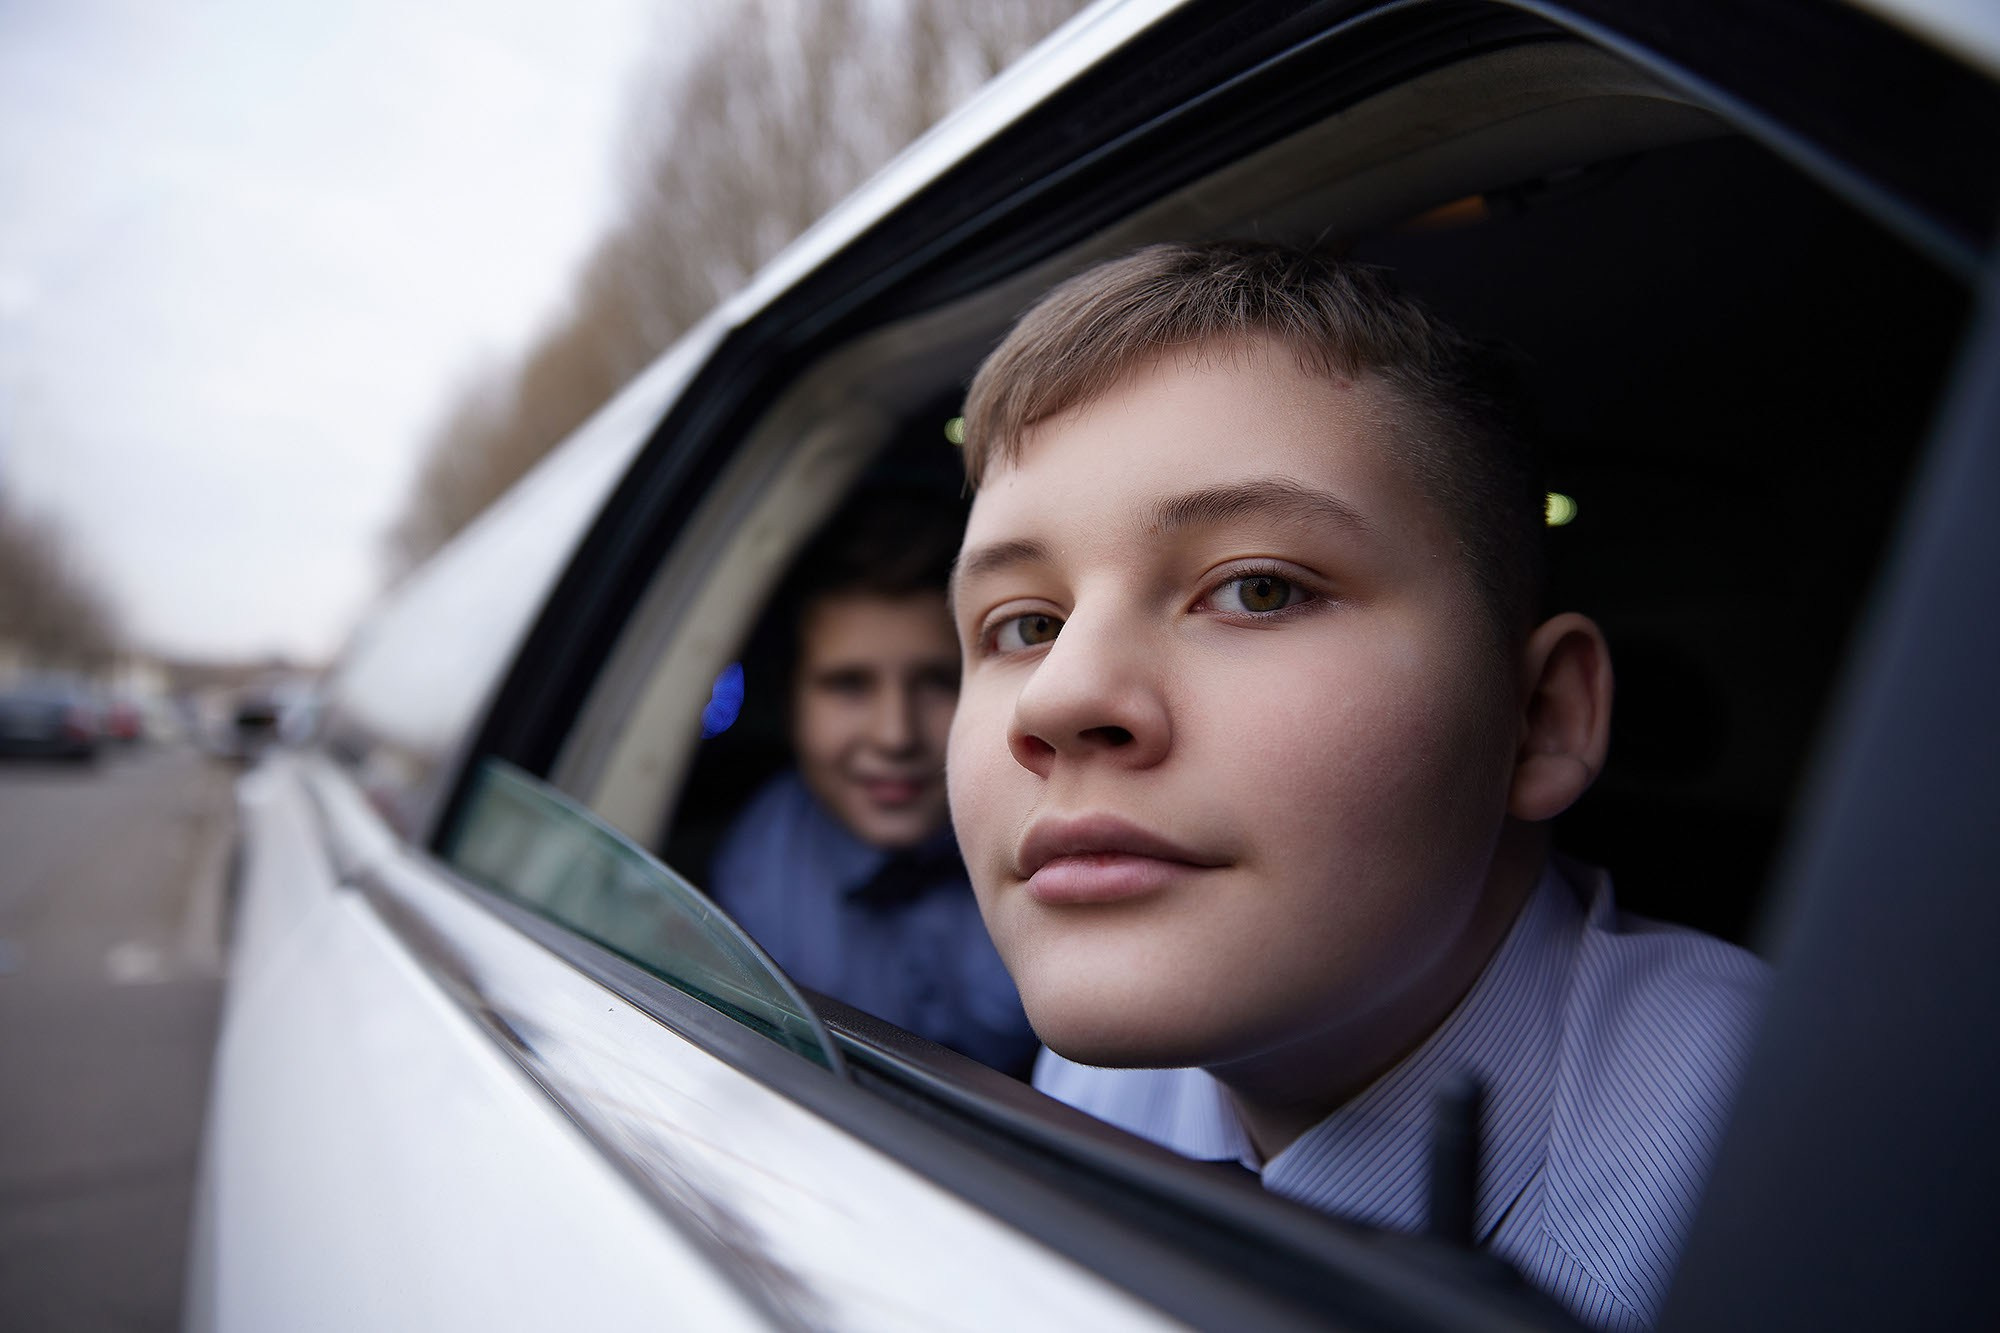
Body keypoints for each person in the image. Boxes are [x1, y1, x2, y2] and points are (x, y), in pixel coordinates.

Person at [943, 243, 1769, 1329]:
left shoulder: (1791, 1172)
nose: (1057, 697)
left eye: (1256, 589)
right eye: (1026, 625)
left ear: (1537, 722)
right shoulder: (1096, 1077)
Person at [708, 492, 1039, 1075]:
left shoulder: (1053, 834)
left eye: (938, 680)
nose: (895, 735)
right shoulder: (755, 875)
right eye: (849, 685)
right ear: (788, 701)